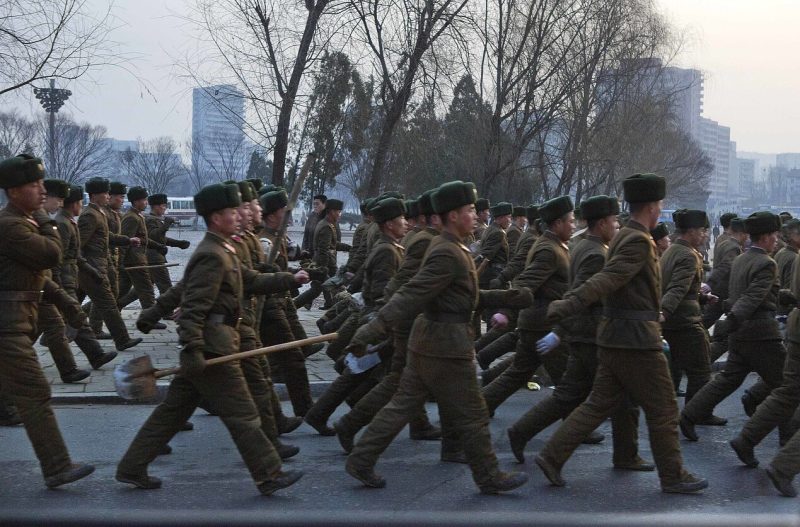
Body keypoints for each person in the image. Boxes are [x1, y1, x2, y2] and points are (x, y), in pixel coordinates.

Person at [343, 181, 531, 495]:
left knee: (401, 405)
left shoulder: (452, 246)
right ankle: (489, 475)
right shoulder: (447, 251)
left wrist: (510, 298)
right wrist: (369, 331)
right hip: (445, 345)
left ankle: (361, 459)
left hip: (431, 341)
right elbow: (411, 294)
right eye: (469, 210)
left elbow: (461, 296)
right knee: (472, 411)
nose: (475, 215)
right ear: (452, 215)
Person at [116, 183, 303, 495]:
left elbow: (251, 279)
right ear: (217, 218)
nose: (239, 215)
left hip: (215, 343)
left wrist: (288, 278)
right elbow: (192, 308)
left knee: (172, 411)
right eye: (232, 212)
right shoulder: (211, 254)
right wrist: (192, 348)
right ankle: (268, 474)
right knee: (242, 412)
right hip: (212, 347)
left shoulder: (224, 249)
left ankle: (131, 467)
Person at [538, 173, 708, 494]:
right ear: (653, 206)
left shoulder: (624, 235)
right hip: (635, 340)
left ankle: (552, 456)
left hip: (617, 336)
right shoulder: (638, 241)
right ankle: (673, 475)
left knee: (598, 404)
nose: (660, 209)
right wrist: (570, 303)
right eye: (659, 204)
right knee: (664, 408)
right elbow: (609, 278)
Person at [507, 195, 645, 466]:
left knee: (567, 395)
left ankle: (521, 431)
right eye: (614, 221)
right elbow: (581, 296)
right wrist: (560, 330)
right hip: (591, 335)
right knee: (622, 397)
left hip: (581, 335)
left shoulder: (581, 246)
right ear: (603, 223)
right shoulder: (596, 254)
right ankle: (625, 455)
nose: (617, 226)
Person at [0, 153, 95, 488]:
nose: (42, 191)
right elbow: (51, 255)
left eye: (42, 183)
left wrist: (69, 305)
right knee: (36, 392)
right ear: (13, 191)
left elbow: (40, 278)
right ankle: (57, 467)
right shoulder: (11, 225)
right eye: (33, 185)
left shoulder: (21, 222)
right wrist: (45, 216)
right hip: (7, 328)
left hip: (18, 322)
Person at [680, 211, 787, 442]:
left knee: (728, 379)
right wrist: (730, 321)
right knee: (787, 387)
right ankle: (781, 439)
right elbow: (752, 297)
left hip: (741, 332)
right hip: (761, 333)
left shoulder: (742, 258)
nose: (777, 240)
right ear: (766, 237)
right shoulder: (767, 263)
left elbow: (743, 293)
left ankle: (689, 415)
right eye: (775, 235)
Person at [480, 196, 574, 414]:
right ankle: (575, 425)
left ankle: (478, 408)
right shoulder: (548, 249)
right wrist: (504, 310)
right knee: (567, 379)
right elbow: (525, 283)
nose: (573, 225)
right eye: (570, 221)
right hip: (544, 324)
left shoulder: (554, 245)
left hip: (537, 323)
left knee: (517, 373)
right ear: (557, 223)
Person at [660, 209, 722, 421]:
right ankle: (696, 414)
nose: (705, 235)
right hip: (685, 322)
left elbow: (681, 288)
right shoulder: (688, 255)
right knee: (701, 370)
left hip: (674, 320)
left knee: (677, 367)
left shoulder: (671, 250)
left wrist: (703, 299)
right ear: (692, 231)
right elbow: (677, 288)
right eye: (703, 230)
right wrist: (664, 313)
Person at [78, 178, 143, 351]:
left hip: (101, 264)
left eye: (108, 193)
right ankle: (121, 339)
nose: (108, 196)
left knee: (83, 304)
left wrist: (128, 240)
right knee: (107, 304)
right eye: (105, 193)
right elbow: (77, 246)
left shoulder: (98, 213)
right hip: (92, 267)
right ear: (93, 196)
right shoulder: (89, 215)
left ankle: (51, 335)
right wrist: (87, 268)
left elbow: (108, 238)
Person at [117, 186, 163, 310]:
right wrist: (120, 262)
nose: (146, 203)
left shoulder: (138, 216)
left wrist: (158, 246)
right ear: (136, 201)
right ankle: (149, 318)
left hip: (136, 259)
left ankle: (110, 309)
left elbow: (143, 239)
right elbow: (124, 240)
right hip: (134, 260)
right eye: (144, 200)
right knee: (146, 288)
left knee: (120, 291)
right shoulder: (131, 217)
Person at [145, 193, 191, 294]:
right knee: (167, 289)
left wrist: (178, 243)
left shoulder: (157, 219)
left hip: (155, 257)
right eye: (163, 206)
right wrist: (166, 224)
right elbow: (154, 236)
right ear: (156, 206)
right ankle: (166, 309)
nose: (165, 208)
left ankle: (119, 303)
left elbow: (162, 239)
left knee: (143, 288)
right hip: (154, 259)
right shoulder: (150, 220)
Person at [312, 198, 351, 309]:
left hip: (324, 262)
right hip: (327, 263)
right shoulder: (326, 226)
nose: (339, 215)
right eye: (338, 212)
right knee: (337, 286)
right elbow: (324, 249)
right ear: (332, 212)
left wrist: (349, 248)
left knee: (316, 289)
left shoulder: (327, 224)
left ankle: (330, 305)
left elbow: (333, 244)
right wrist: (324, 267)